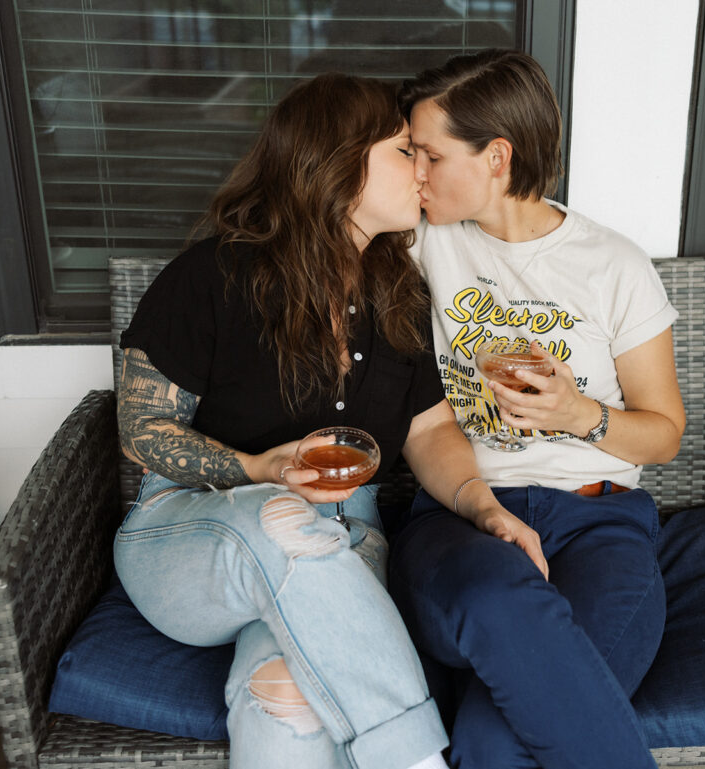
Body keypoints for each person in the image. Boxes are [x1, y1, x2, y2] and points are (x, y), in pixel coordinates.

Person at [113, 73, 540, 769]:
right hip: (191, 538)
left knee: (285, 698)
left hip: (343, 537)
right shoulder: (215, 275)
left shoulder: (399, 290)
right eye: (405, 151)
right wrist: (259, 469)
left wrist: (483, 506)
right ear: (339, 167)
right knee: (283, 522)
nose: (423, 170)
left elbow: (430, 430)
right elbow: (141, 431)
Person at [387, 50, 687, 769]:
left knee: (493, 743)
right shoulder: (420, 240)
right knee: (493, 597)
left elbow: (665, 434)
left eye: (429, 154)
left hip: (599, 522)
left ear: (496, 157)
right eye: (410, 154)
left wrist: (579, 412)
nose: (415, 173)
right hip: (461, 516)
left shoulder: (612, 265)